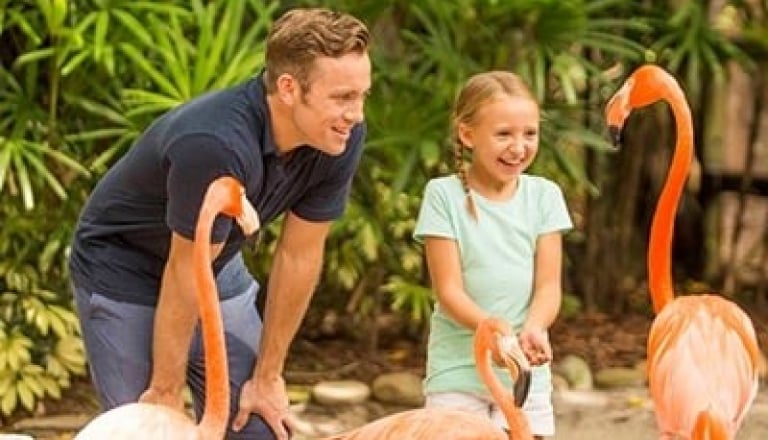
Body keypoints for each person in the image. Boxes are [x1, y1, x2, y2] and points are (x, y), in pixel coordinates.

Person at [68, 8, 371, 440]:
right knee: (150, 432)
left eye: (363, 96)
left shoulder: (338, 137)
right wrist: (166, 390)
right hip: (123, 267)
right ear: (288, 88)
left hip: (213, 261)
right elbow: (181, 268)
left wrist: (268, 376)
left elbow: (299, 254)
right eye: (342, 97)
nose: (356, 114)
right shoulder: (215, 143)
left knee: (259, 428)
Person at [413, 71, 573, 439]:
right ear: (467, 134)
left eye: (529, 134)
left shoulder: (545, 196)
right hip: (457, 370)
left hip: (524, 372)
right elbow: (449, 290)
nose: (519, 147)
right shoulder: (443, 196)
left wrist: (534, 327)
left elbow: (548, 286)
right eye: (504, 134)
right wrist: (496, 337)